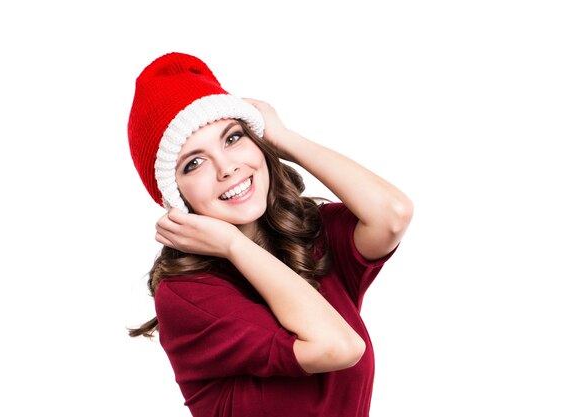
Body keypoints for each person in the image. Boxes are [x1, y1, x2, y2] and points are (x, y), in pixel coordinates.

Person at [127, 52, 413, 417]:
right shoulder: (187, 294)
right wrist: (232, 245)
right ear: (174, 194)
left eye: (233, 138)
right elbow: (339, 347)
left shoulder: (309, 237)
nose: (227, 167)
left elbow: (393, 214)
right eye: (194, 163)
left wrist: (284, 137)